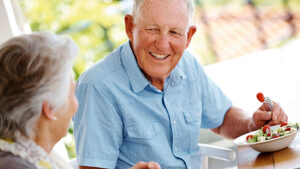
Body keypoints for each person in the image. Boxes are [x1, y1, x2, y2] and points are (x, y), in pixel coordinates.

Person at [73, 0, 288, 168]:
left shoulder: (187, 64)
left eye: (174, 32)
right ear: (130, 27)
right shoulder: (97, 87)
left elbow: (223, 119)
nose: (163, 44)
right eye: (152, 29)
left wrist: (253, 124)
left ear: (189, 36)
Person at [0, 32, 161, 169]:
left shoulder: (29, 156)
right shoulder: (14, 165)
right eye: (72, 93)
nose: (76, 105)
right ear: (50, 107)